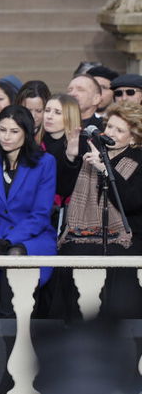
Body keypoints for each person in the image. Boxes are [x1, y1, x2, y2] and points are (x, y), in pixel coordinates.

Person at [57, 101, 142, 319]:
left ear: (132, 138)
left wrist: (105, 169)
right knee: (71, 251)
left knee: (113, 258)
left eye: (119, 130)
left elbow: (131, 201)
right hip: (85, 232)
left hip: (126, 235)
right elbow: (63, 191)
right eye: (110, 126)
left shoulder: (137, 160)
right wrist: (70, 156)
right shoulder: (91, 152)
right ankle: (70, 326)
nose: (110, 132)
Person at [0, 106, 57, 317]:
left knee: (15, 254)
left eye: (14, 131)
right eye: (2, 130)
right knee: (1, 256)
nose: (6, 137)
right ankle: (1, 325)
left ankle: (11, 321)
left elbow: (40, 214)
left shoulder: (45, 163)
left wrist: (10, 240)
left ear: (27, 133)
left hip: (32, 236)